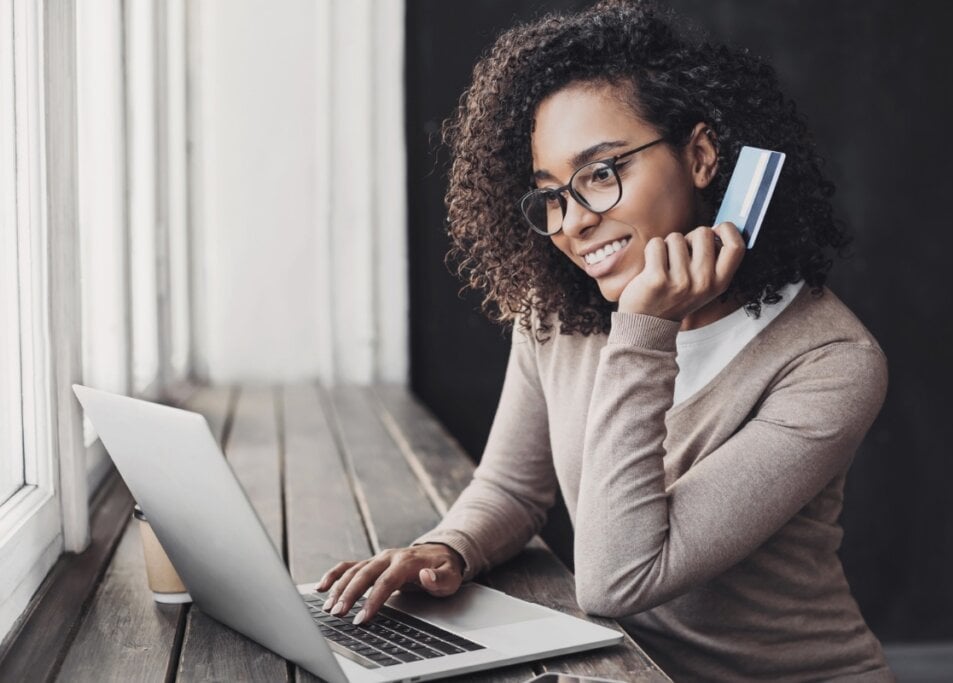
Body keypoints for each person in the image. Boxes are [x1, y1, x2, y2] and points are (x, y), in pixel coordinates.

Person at [317, 0, 894, 679]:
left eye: (600, 172)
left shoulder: (830, 364)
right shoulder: (555, 314)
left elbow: (617, 578)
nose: (573, 223)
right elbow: (511, 486)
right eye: (551, 194)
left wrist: (645, 328)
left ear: (702, 155)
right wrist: (448, 546)